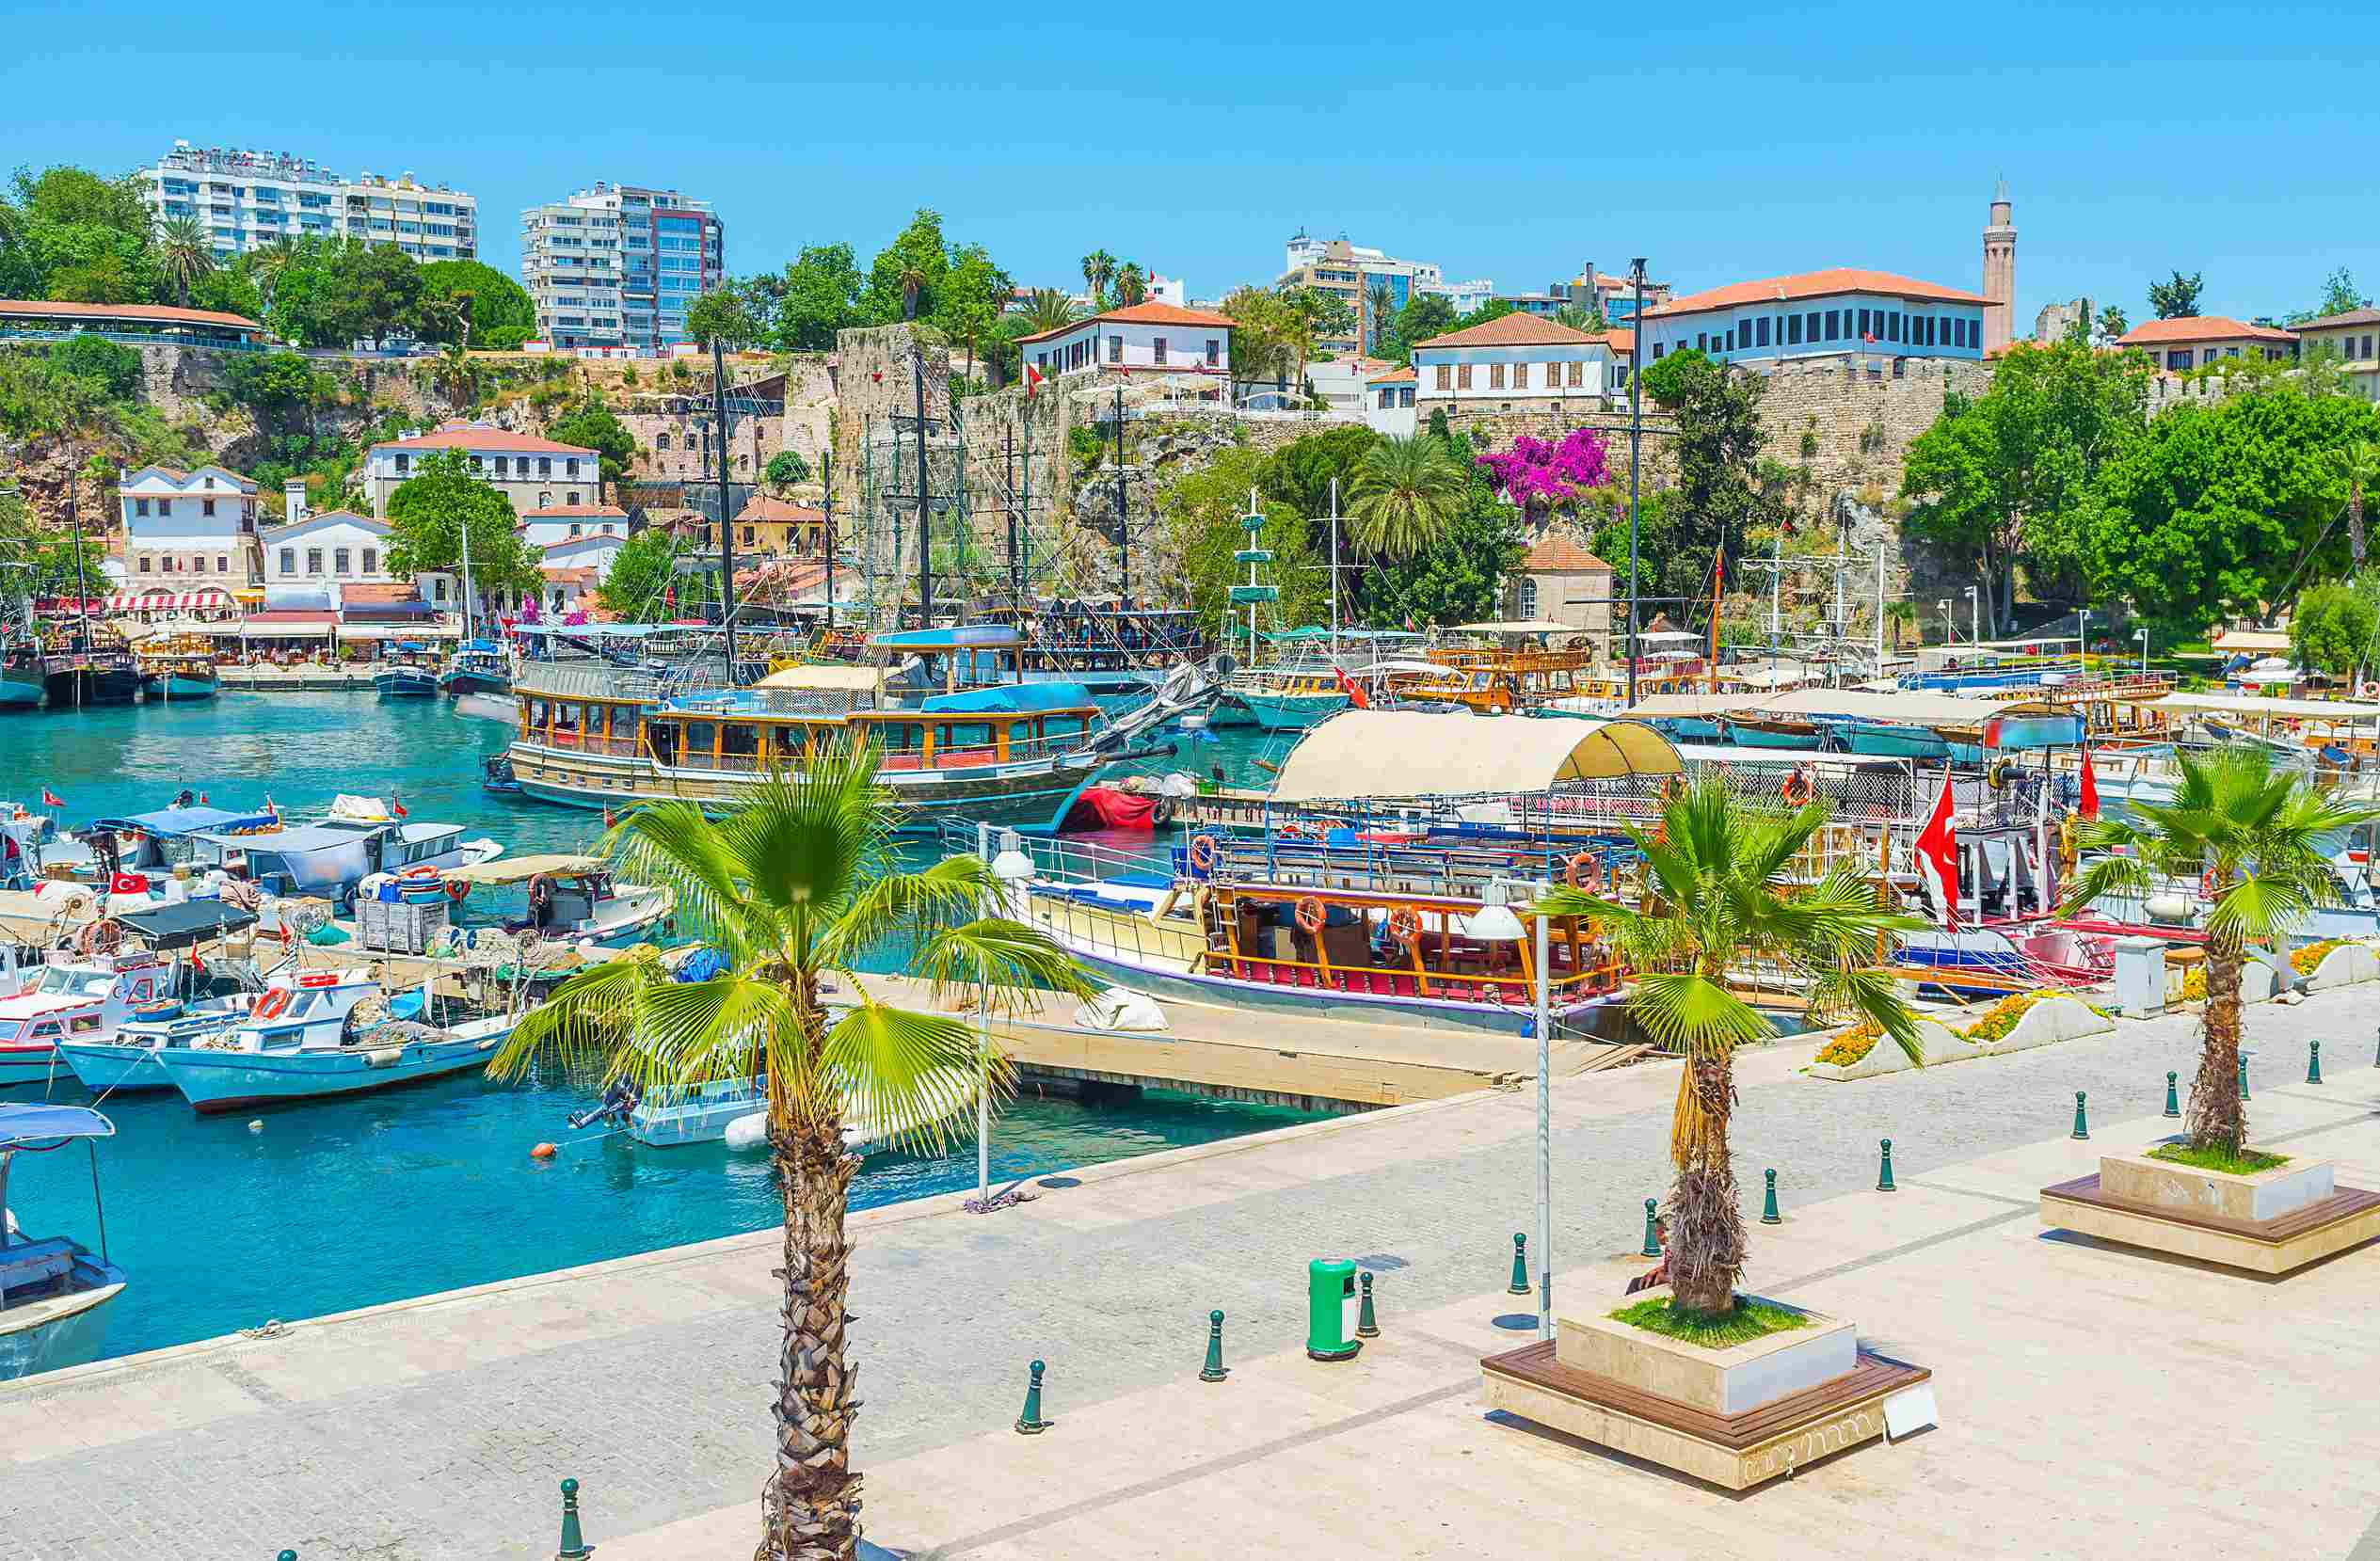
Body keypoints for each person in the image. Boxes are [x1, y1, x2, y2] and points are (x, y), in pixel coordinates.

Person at [1625, 1217, 1670, 1295]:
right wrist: (1656, 1270)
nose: (1655, 1234)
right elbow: (1670, 1266)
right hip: (1667, 1276)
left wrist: (1663, 1277)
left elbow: (1683, 1275)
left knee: (1635, 1286)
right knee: (1636, 1282)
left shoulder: (1675, 1249)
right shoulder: (1669, 1247)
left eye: (1657, 1231)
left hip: (1671, 1282)